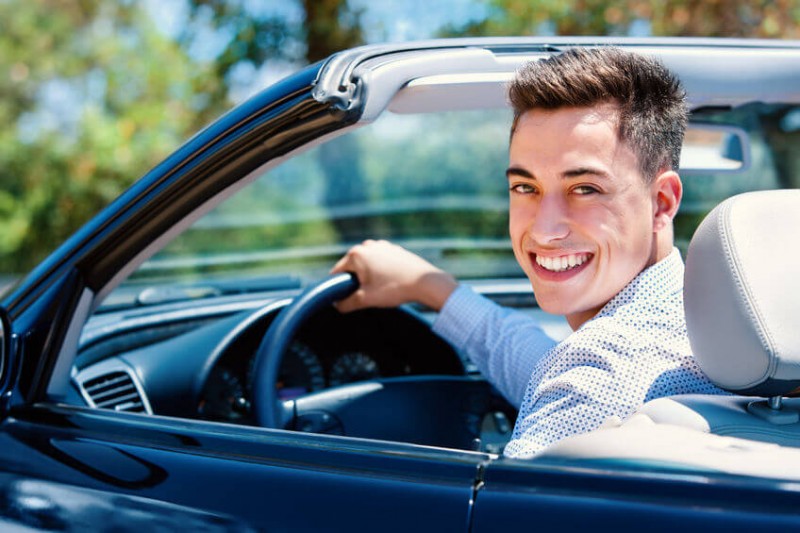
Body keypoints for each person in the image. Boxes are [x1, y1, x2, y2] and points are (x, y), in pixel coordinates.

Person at [331, 47, 724, 458]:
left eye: (584, 189)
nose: (543, 229)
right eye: (525, 187)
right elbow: (546, 365)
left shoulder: (599, 378)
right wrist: (430, 287)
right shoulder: (703, 326)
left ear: (661, 202)